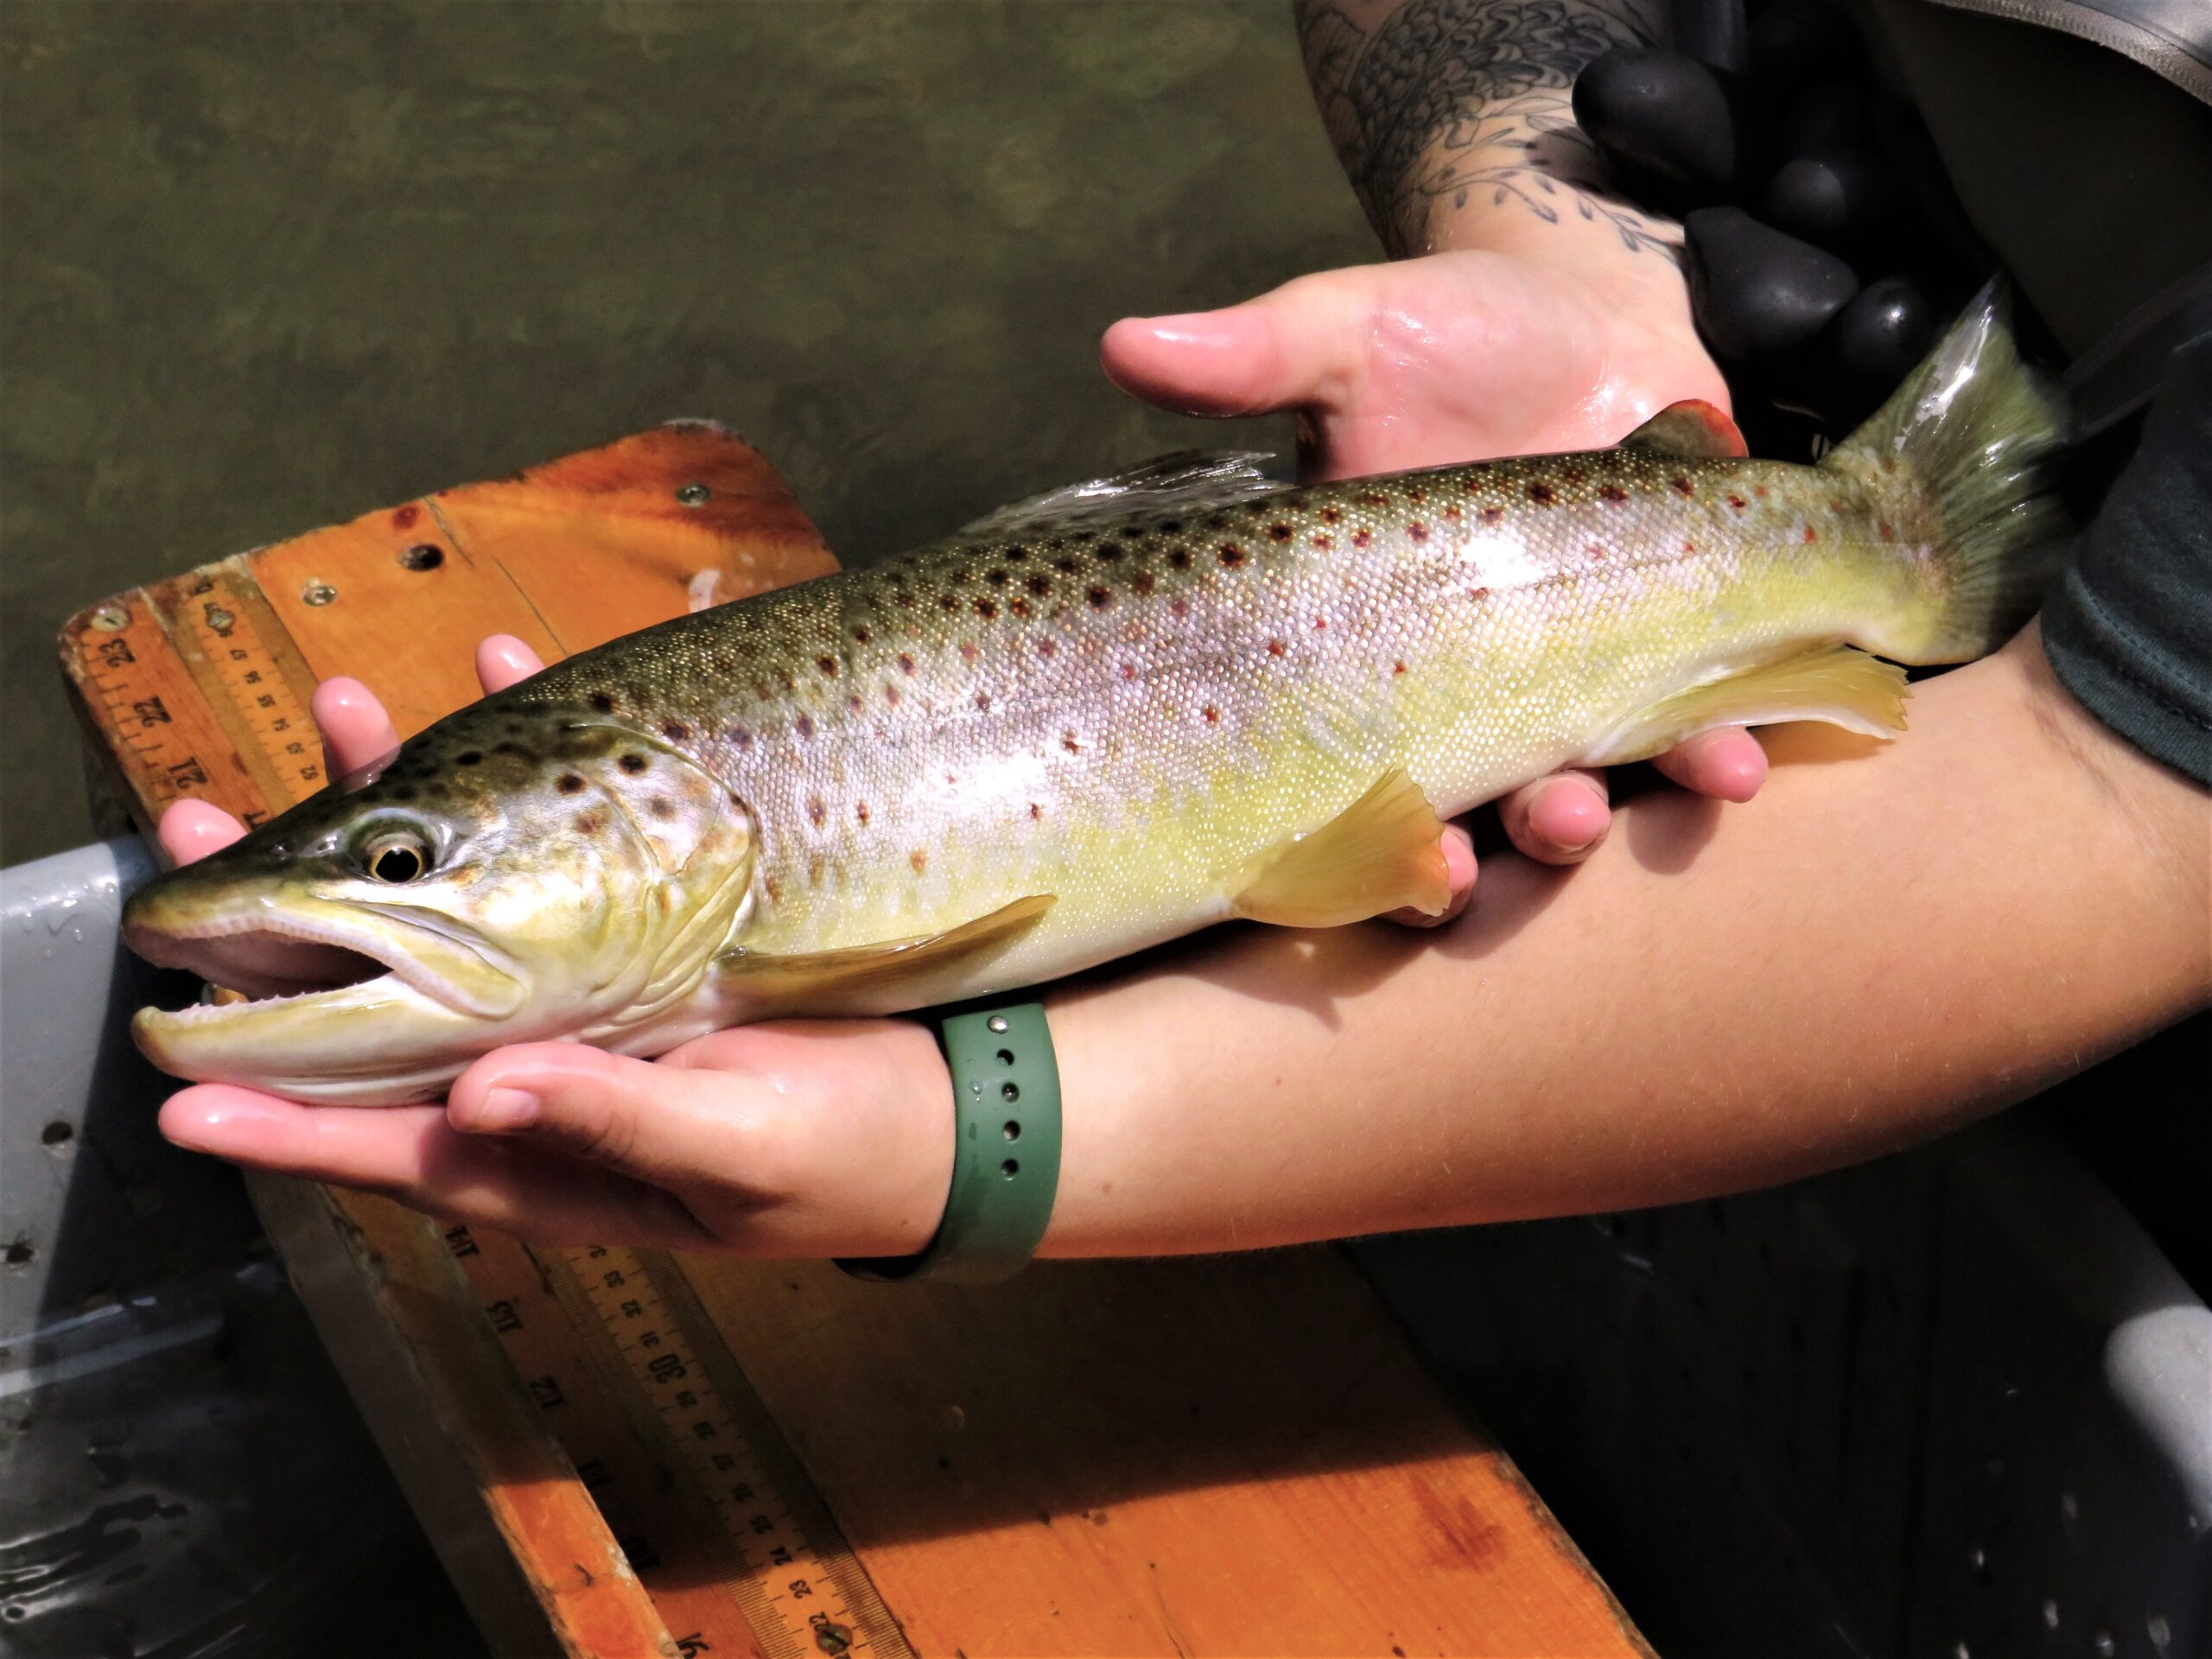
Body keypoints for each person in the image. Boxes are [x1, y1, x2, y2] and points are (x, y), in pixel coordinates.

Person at [150, 0, 2209, 1261]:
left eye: (408, 861)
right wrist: (1536, 219)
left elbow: (2120, 808)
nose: (388, 878)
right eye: (406, 862)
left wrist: (971, 1153)